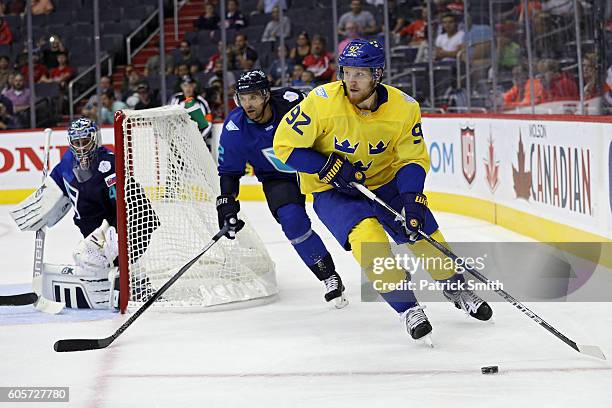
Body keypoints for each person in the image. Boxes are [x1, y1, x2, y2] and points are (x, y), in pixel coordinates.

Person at [273, 39, 492, 342]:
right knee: (369, 242)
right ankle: (408, 308)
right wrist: (327, 167)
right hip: (334, 191)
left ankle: (456, 288)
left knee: (424, 234)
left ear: (378, 75)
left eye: (361, 73)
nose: (351, 80)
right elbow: (285, 146)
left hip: (385, 183)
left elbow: (411, 159)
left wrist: (412, 198)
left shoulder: (404, 108)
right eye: (347, 71)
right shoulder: (320, 102)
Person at [217, 70, 347, 308]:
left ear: (266, 95)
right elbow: (229, 172)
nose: (248, 104)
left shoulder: (291, 102)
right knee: (292, 222)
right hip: (278, 178)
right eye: (242, 98)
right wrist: (226, 200)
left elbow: (328, 124)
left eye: (253, 97)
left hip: (316, 166)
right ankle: (329, 275)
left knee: (350, 213)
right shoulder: (235, 128)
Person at [10, 119, 121, 309]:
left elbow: (122, 204)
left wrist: (117, 232)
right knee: (87, 259)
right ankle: (110, 285)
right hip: (92, 231)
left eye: (85, 141)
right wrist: (43, 205)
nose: (80, 147)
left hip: (114, 228)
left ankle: (125, 280)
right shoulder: (68, 161)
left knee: (96, 253)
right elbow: (55, 187)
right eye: (76, 142)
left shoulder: (109, 163)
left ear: (95, 139)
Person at [168, 75, 212, 147]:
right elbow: (169, 119)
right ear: (181, 87)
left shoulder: (201, 101)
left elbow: (209, 123)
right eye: (185, 86)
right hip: (178, 143)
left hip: (197, 142)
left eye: (190, 86)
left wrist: (200, 138)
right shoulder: (175, 99)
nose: (188, 88)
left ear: (194, 86)